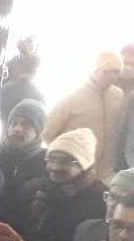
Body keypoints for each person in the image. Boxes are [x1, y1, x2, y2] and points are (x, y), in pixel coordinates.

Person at [18, 128, 107, 241]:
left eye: (66, 161)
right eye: (51, 159)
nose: (55, 167)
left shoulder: (100, 201)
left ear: (84, 164)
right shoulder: (33, 189)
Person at [44, 51, 126, 181]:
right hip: (77, 174)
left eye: (116, 72)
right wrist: (65, 156)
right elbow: (48, 133)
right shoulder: (72, 98)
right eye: (107, 71)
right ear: (96, 70)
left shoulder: (119, 97)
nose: (111, 76)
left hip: (108, 174)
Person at [0, 99, 48, 229]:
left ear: (38, 132)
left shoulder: (46, 163)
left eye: (26, 125)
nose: (17, 129)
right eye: (14, 123)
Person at [0, 53, 44, 139]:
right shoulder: (36, 93)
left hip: (9, 129)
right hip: (25, 134)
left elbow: (3, 112)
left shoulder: (8, 87)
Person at [120, 45, 134, 170]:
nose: (127, 68)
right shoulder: (107, 88)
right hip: (111, 159)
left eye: (131, 64)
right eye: (124, 63)